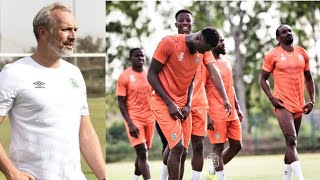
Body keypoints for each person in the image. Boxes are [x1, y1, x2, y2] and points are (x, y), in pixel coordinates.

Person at [0, 3, 105, 180]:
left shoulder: (75, 74)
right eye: (66, 30)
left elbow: (86, 132)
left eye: (75, 29)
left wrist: (103, 177)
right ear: (43, 32)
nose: (74, 36)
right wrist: (12, 173)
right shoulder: (13, 73)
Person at [148, 26, 231, 180]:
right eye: (203, 48)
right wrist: (170, 103)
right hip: (162, 102)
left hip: (184, 105)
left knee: (185, 150)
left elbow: (191, 80)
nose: (203, 52)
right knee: (178, 147)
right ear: (198, 38)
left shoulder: (201, 52)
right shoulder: (169, 43)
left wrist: (188, 103)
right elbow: (151, 75)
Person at [260, 24, 314, 180]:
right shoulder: (272, 55)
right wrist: (271, 98)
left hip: (299, 103)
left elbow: (309, 79)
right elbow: (263, 79)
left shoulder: (302, 53)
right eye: (283, 32)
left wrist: (312, 100)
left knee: (290, 145)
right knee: (292, 140)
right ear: (278, 38)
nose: (288, 33)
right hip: (282, 104)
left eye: (290, 30)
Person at [205, 36, 243, 180]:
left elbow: (230, 86)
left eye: (223, 41)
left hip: (231, 111)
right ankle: (220, 177)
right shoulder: (206, 64)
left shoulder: (226, 62)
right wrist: (207, 115)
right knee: (218, 148)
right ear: (213, 44)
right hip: (215, 112)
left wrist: (237, 107)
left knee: (237, 145)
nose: (223, 43)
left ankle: (213, 169)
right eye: (220, 41)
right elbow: (201, 89)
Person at [116, 48, 155, 180]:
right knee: (142, 152)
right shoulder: (124, 76)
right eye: (137, 56)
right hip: (134, 119)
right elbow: (121, 102)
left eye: (142, 56)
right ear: (130, 59)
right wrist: (130, 123)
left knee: (142, 154)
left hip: (150, 119)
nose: (140, 58)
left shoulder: (150, 74)